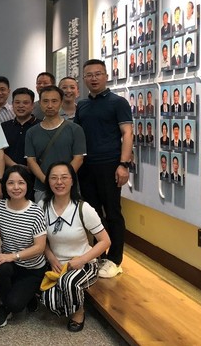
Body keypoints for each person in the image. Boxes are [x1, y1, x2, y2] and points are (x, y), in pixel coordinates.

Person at [74, 59, 132, 279]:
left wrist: (123, 164)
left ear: (106, 76)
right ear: (84, 79)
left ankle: (115, 260)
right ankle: (100, 255)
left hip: (110, 165)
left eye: (98, 74)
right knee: (94, 214)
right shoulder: (82, 105)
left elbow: (127, 133)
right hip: (86, 167)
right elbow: (77, 135)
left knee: (113, 212)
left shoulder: (118, 102)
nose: (94, 78)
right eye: (89, 75)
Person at [39, 162, 110, 332]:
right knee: (50, 302)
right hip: (57, 265)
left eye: (64, 177)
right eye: (54, 178)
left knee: (68, 282)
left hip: (84, 264)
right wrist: (51, 257)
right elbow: (41, 241)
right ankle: (69, 298)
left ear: (72, 181)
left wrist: (82, 260)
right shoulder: (42, 206)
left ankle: (79, 312)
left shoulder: (83, 208)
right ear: (48, 182)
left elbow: (105, 241)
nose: (59, 182)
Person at [0, 165, 46, 328]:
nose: (16, 187)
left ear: (27, 185)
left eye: (21, 183)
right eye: (11, 183)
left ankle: (26, 296)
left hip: (32, 268)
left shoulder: (36, 211)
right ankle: (5, 306)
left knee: (16, 305)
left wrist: (12, 256)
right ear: (5, 186)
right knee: (1, 267)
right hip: (10, 265)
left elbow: (40, 247)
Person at [25, 86, 86, 202]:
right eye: (45, 101)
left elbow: (79, 159)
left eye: (54, 101)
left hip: (69, 188)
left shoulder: (75, 129)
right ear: (40, 103)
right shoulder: (31, 132)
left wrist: (62, 180)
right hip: (42, 188)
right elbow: (31, 161)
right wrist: (46, 180)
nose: (49, 105)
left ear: (61, 103)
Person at [2, 87, 39, 167]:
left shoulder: (41, 126)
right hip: (8, 172)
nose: (21, 106)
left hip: (34, 173)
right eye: (17, 102)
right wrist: (16, 167)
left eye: (25, 103)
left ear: (32, 105)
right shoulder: (3, 127)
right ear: (12, 104)